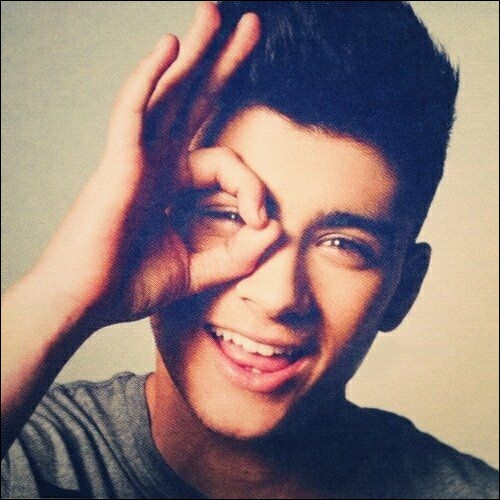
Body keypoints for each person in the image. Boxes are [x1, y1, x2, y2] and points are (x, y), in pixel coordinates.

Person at [1, 1, 498, 498]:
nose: (278, 297)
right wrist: (59, 297)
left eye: (344, 244)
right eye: (230, 214)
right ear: (152, 217)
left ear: (404, 289)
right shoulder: (27, 455)